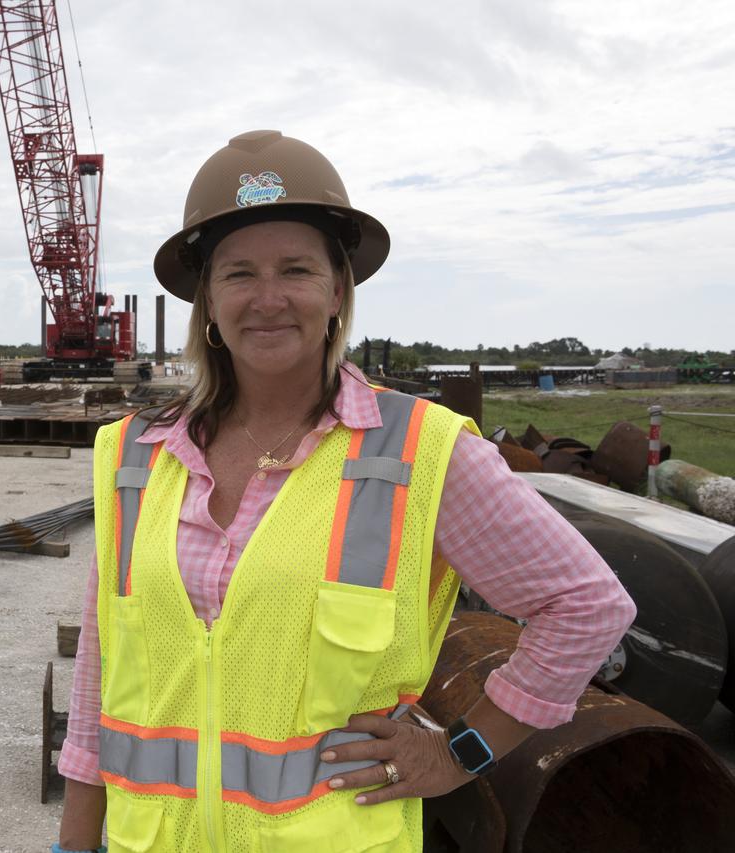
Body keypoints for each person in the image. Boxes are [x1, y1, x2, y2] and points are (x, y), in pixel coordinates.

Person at [53, 130, 636, 853]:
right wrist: (73, 843)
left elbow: (587, 606)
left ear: (337, 291)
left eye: (295, 269)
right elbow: (100, 683)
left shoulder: (423, 451)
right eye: (239, 273)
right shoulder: (133, 456)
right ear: (207, 300)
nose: (268, 298)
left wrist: (462, 754)